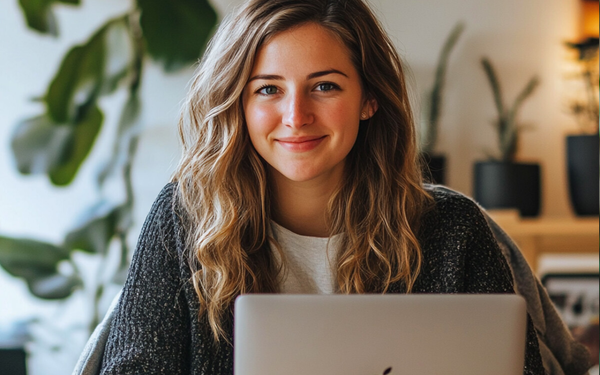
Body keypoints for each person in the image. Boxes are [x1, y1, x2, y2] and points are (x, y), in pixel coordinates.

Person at [98, 0, 548, 374]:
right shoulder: (186, 217)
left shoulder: (454, 228)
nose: (296, 116)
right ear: (238, 102)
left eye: (325, 86)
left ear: (369, 99)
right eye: (268, 90)